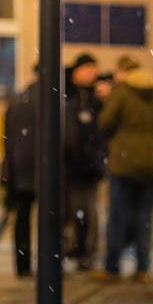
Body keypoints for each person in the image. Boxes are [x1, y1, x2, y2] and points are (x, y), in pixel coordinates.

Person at [99, 56, 153, 280]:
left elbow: (105, 123)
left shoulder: (121, 91)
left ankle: (112, 267)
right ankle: (143, 268)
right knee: (144, 217)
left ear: (122, 71)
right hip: (149, 163)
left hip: (122, 162)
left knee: (118, 216)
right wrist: (152, 146)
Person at [64, 54, 106, 268]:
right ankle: (73, 250)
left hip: (90, 168)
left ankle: (86, 252)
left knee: (88, 211)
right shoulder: (68, 98)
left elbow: (102, 133)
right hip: (71, 167)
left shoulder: (97, 102)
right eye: (87, 68)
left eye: (93, 68)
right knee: (71, 211)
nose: (91, 73)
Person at [0, 77, 38, 278]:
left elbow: (6, 138)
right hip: (42, 169)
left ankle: (22, 264)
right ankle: (51, 262)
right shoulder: (51, 99)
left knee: (22, 217)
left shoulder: (18, 100)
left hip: (19, 169)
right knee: (50, 217)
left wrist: (8, 169)